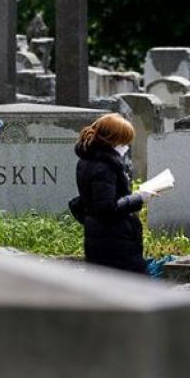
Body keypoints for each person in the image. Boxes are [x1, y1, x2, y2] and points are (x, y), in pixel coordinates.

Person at [72, 113, 154, 273]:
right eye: (124, 141)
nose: (126, 146)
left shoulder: (87, 160)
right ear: (113, 140)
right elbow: (106, 209)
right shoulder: (105, 167)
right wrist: (139, 198)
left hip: (99, 236)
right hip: (114, 241)